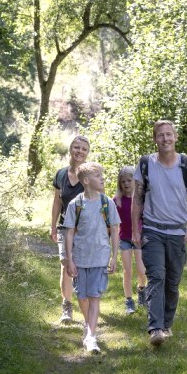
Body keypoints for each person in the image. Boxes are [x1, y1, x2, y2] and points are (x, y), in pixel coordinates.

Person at [131, 120, 187, 346]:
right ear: (154, 139)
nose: (165, 139)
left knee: (172, 282)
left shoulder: (186, 164)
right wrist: (135, 230)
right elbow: (137, 200)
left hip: (177, 233)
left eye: (168, 134)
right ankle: (155, 329)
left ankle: (167, 324)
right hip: (152, 230)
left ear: (175, 136)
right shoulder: (145, 164)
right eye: (160, 135)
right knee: (156, 277)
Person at [63, 162, 120, 353]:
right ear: (86, 181)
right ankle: (88, 324)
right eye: (98, 176)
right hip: (80, 258)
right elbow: (69, 233)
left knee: (95, 296)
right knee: (82, 296)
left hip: (100, 257)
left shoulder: (107, 203)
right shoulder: (75, 205)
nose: (102, 179)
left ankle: (91, 336)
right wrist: (70, 260)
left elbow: (115, 229)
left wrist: (114, 256)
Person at [50, 135, 90, 324]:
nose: (79, 151)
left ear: (87, 153)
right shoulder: (60, 175)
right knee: (66, 264)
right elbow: (57, 201)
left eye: (83, 148)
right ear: (70, 150)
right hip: (65, 227)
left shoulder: (91, 175)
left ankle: (86, 301)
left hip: (84, 230)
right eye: (76, 147)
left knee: (81, 266)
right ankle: (67, 306)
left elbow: (100, 203)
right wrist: (52, 226)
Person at [114, 166, 147, 314]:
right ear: (119, 184)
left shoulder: (141, 199)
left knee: (141, 270)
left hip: (139, 238)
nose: (126, 184)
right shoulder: (117, 200)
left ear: (135, 181)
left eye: (129, 180)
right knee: (127, 271)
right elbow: (113, 223)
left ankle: (141, 291)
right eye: (123, 181)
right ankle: (128, 300)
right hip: (124, 239)